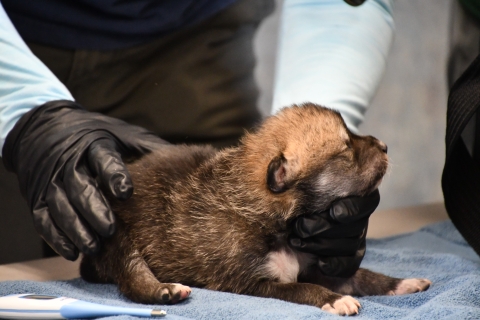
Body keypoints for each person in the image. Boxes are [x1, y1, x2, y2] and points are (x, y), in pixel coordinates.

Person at [0, 0, 394, 277]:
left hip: (197, 43)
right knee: (26, 273)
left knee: (251, 258)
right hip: (18, 38)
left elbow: (339, 6)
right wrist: (21, 107)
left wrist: (318, 175)